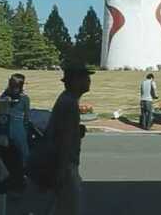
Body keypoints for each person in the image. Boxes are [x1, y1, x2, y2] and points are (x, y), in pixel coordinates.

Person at [44, 61, 94, 215]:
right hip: (66, 166)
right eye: (85, 77)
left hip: (64, 164)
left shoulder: (66, 99)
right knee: (69, 208)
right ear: (75, 81)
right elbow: (64, 139)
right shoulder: (69, 103)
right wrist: (62, 169)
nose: (89, 81)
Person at [0, 73, 32, 168]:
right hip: (17, 129)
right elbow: (26, 118)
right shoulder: (25, 98)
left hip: (4, 129)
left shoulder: (3, 97)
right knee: (24, 154)